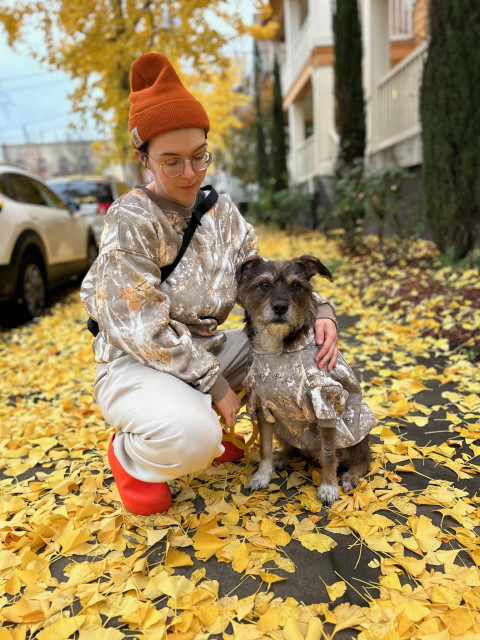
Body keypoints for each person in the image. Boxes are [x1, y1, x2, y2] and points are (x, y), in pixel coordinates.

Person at [80, 52, 339, 516]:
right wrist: (215, 384)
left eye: (199, 156)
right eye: (172, 161)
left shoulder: (221, 214)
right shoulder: (132, 220)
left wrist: (322, 313)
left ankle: (206, 419)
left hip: (208, 347)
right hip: (136, 362)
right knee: (191, 437)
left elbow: (272, 279)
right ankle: (133, 457)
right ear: (143, 157)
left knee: (304, 356)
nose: (190, 173)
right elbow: (139, 327)